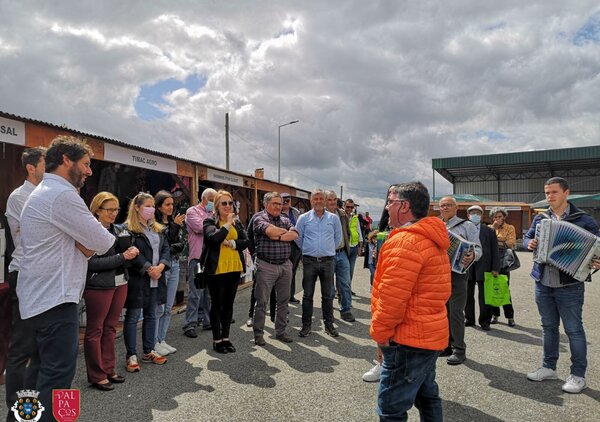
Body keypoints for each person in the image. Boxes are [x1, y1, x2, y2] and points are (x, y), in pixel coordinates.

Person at [16, 136, 115, 420]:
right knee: (58, 376)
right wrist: (83, 242)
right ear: (66, 160)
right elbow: (103, 241)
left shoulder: (44, 191)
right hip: (56, 300)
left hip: (39, 299)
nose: (90, 171)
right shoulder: (62, 194)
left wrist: (83, 242)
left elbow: (90, 243)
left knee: (38, 373)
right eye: (85, 164)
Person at [371, 182, 451, 421]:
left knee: (391, 410)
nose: (387, 207)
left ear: (404, 206)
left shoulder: (406, 241)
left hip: (408, 339)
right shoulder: (430, 237)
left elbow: (391, 298)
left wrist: (380, 334)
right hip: (428, 335)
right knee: (427, 397)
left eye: (390, 202)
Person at [524, 177, 600, 394]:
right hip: (543, 282)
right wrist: (529, 243)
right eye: (547, 192)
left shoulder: (583, 219)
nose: (549, 196)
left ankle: (578, 375)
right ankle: (548, 367)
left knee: (573, 330)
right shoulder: (540, 218)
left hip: (570, 284)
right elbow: (527, 237)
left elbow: (598, 246)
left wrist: (598, 260)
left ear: (567, 193)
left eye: (554, 192)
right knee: (548, 327)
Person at [83, 192, 140, 391]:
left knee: (111, 328)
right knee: (95, 330)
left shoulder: (119, 229)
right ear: (97, 210)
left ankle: (108, 369)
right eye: (109, 210)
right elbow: (91, 263)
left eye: (116, 209)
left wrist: (133, 253)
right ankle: (96, 375)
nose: (114, 213)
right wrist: (123, 257)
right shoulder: (90, 231)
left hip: (120, 282)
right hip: (98, 285)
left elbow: (126, 258)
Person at [3, 147, 45, 412]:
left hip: (43, 275)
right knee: (22, 346)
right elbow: (33, 236)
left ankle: (33, 404)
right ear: (31, 168)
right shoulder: (20, 196)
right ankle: (16, 409)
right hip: (25, 273)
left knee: (40, 346)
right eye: (45, 164)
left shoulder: (47, 193)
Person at [123, 192, 170, 372]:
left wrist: (161, 267)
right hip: (139, 279)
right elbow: (132, 252)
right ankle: (131, 355)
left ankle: (149, 351)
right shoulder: (128, 229)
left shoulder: (158, 229)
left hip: (157, 278)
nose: (151, 210)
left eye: (152, 206)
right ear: (137, 207)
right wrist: (149, 268)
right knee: (133, 317)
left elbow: (165, 249)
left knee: (152, 314)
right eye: (147, 206)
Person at [202, 190, 249, 354]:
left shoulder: (237, 222)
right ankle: (217, 340)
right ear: (217, 206)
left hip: (234, 267)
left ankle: (226, 338)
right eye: (224, 203)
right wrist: (227, 224)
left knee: (228, 304)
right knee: (217, 304)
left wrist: (233, 244)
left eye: (230, 203)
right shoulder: (209, 221)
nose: (228, 206)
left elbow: (246, 241)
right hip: (217, 269)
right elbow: (214, 239)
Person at [438, 196, 481, 365]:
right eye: (442, 205)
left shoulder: (467, 225)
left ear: (456, 208)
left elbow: (478, 248)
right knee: (442, 311)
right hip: (438, 274)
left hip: (458, 273)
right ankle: (446, 345)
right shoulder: (436, 224)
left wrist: (473, 255)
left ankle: (459, 349)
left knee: (455, 312)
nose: (445, 208)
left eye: (448, 205)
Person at [251, 192, 298, 346]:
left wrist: (277, 236)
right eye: (275, 203)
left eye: (280, 203)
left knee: (283, 301)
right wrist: (281, 233)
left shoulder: (285, 219)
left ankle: (281, 332)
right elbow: (269, 231)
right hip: (266, 265)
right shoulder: (259, 218)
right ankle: (258, 334)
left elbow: (295, 234)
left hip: (285, 265)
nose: (278, 206)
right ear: (266, 204)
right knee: (262, 302)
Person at [295, 189, 342, 338]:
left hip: (328, 261)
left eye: (321, 198)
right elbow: (298, 237)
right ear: (311, 201)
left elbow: (338, 238)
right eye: (315, 199)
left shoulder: (333, 218)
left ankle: (329, 325)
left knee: (328, 296)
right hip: (310, 261)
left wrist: (327, 249)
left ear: (325, 200)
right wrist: (307, 250)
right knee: (307, 295)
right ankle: (306, 326)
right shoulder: (303, 218)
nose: (318, 201)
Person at [154, 190, 185, 356]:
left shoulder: (173, 223)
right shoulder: (155, 225)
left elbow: (180, 244)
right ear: (159, 206)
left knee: (168, 306)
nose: (171, 207)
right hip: (162, 266)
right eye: (167, 204)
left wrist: (175, 228)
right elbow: (165, 245)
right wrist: (176, 227)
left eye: (172, 204)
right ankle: (153, 342)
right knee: (159, 306)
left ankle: (162, 339)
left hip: (175, 264)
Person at [183, 188, 217, 337]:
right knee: (195, 292)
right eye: (212, 200)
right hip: (197, 257)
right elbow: (200, 228)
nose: (213, 203)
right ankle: (190, 324)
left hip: (211, 257)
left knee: (209, 292)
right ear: (204, 199)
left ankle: (207, 320)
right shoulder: (192, 211)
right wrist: (214, 225)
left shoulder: (212, 213)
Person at [464, 205, 500, 331]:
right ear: (468, 215)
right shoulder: (463, 229)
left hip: (485, 265)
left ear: (481, 215)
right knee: (467, 295)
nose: (475, 215)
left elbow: (495, 250)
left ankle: (485, 321)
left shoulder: (489, 231)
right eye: (472, 212)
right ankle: (469, 318)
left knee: (485, 296)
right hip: (467, 266)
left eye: (478, 213)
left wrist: (495, 267)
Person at [325, 190, 355, 322]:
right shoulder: (321, 215)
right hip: (328, 255)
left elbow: (347, 232)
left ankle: (346, 310)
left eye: (334, 199)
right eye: (329, 199)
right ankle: (328, 312)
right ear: (325, 201)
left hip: (342, 253)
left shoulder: (342, 214)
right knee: (329, 286)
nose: (332, 202)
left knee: (345, 283)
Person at [489, 206, 517, 326]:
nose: (497, 219)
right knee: (492, 289)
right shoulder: (489, 228)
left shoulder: (510, 228)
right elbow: (486, 243)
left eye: (500, 216)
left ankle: (510, 316)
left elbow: (510, 243)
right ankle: (495, 315)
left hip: (504, 260)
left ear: (504, 217)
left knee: (504, 288)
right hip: (491, 261)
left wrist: (495, 242)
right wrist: (494, 231)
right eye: (495, 217)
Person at [281, 193, 302, 303]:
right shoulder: (277, 212)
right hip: (283, 245)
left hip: (296, 245)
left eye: (287, 201)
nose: (285, 203)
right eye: (283, 201)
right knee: (283, 273)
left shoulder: (296, 212)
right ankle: (281, 297)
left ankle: (290, 295)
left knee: (292, 272)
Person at [344, 199, 363, 291]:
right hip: (344, 248)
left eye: (351, 207)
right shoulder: (341, 216)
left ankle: (348, 289)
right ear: (344, 206)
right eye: (348, 207)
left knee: (351, 270)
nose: (349, 209)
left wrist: (360, 247)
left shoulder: (355, 218)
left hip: (354, 247)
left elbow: (359, 232)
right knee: (342, 270)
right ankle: (340, 290)